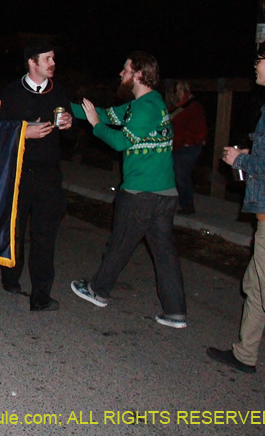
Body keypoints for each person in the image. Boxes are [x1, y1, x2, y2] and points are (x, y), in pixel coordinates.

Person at [69, 52, 187, 328]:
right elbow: (104, 114)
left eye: (125, 69)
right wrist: (61, 106)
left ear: (138, 74)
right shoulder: (144, 105)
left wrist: (96, 127)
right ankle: (175, 311)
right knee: (164, 253)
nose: (120, 74)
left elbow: (121, 142)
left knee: (120, 244)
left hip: (142, 194)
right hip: (163, 194)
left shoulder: (146, 107)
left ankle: (97, 290)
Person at [207, 38, 265, 373]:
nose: (256, 64)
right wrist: (252, 156)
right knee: (255, 285)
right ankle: (244, 354)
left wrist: (242, 159)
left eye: (260, 59)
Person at [0, 40, 73, 311]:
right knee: (14, 229)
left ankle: (41, 295)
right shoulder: (11, 93)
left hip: (48, 174)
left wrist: (69, 125)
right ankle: (10, 276)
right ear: (32, 62)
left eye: (53, 58)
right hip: (17, 172)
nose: (53, 63)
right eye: (47, 58)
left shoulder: (59, 93)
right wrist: (22, 132)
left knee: (44, 235)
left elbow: (71, 136)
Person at [166, 80, 207, 215]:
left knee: (181, 175)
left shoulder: (193, 106)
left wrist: (189, 141)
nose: (175, 93)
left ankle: (187, 206)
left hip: (189, 147)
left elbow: (201, 129)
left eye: (177, 90)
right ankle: (172, 203)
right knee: (173, 174)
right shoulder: (175, 107)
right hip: (176, 146)